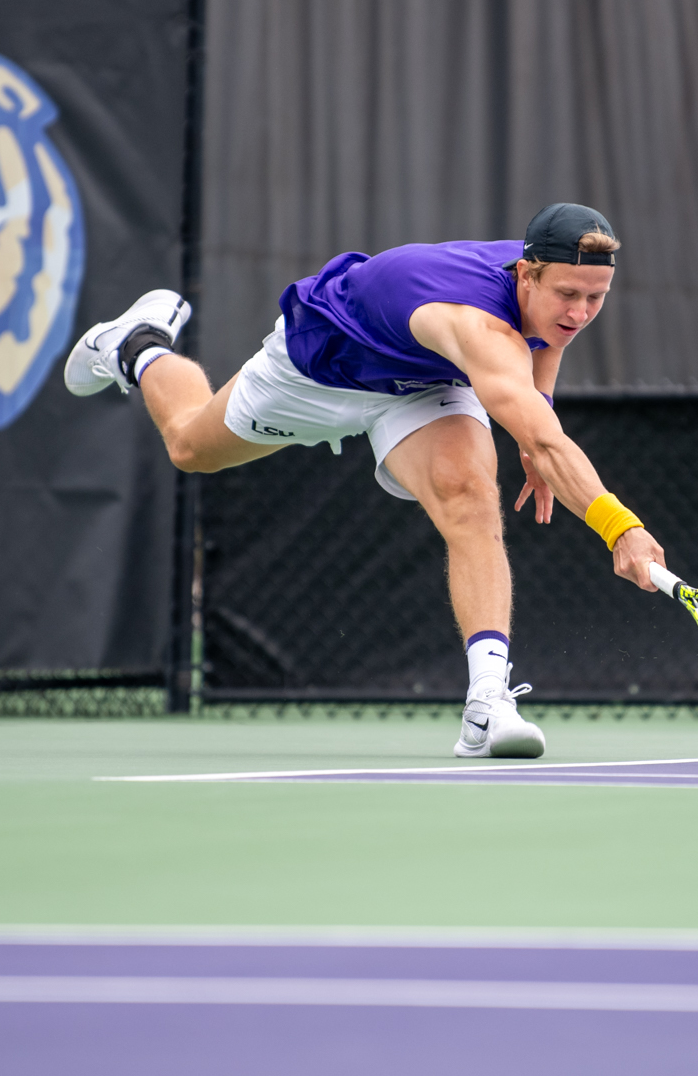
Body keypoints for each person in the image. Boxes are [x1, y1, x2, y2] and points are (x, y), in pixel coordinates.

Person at [63, 203, 666, 758]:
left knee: (472, 498)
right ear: (525, 275)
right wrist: (619, 527)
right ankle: (137, 345)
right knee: (191, 446)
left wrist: (540, 407)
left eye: (596, 298)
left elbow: (547, 344)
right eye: (568, 295)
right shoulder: (476, 321)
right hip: (320, 368)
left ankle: (487, 703)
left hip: (425, 383)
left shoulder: (550, 283)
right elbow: (537, 420)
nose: (580, 314)